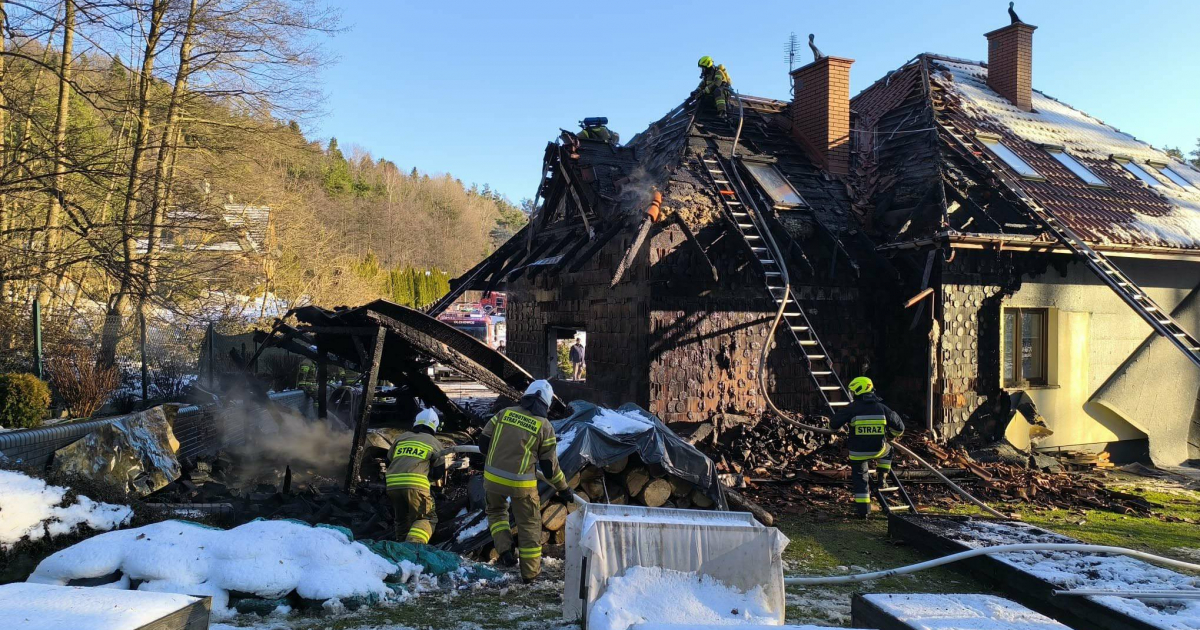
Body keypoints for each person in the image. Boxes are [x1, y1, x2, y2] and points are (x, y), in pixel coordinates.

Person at [476, 380, 572, 583]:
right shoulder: (544, 426)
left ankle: (504, 551)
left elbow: (483, 444)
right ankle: (530, 575)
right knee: (529, 525)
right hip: (522, 485)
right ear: (546, 404)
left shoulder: (503, 414)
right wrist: (563, 489)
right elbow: (549, 467)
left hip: (492, 480)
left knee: (496, 513)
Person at [829, 377, 904, 518]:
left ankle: (863, 512)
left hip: (858, 453)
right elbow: (900, 428)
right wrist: (889, 436)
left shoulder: (851, 408)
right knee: (889, 450)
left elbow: (833, 425)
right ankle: (882, 477)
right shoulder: (882, 408)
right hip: (878, 450)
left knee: (860, 480)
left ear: (859, 390)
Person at [385, 409, 445, 543]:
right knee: (426, 518)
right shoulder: (435, 442)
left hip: (392, 486)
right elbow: (438, 473)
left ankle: (400, 548)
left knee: (402, 519)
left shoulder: (402, 437)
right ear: (434, 426)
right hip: (416, 486)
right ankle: (413, 547)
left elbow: (388, 461)